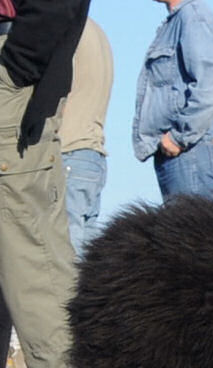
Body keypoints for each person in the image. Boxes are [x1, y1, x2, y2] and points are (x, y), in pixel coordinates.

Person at [0, 0, 90, 368]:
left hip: (12, 71)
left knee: (27, 247)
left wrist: (12, 69)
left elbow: (56, 6)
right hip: (16, 68)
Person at [132, 0, 213, 201]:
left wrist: (179, 136)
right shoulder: (179, 20)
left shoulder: (193, 16)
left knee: (193, 231)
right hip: (184, 150)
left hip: (192, 149)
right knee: (184, 230)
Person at [60, 17, 114, 257]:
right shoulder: (96, 31)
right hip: (92, 155)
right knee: (85, 259)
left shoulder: (65, 28)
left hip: (67, 150)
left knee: (64, 254)